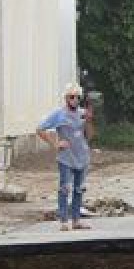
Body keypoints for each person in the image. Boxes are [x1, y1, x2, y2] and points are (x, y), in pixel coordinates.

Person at [36, 83, 93, 232]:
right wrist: (55, 143)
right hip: (66, 157)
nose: (74, 100)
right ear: (66, 98)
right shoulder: (59, 114)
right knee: (65, 188)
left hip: (82, 155)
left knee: (79, 189)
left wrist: (88, 120)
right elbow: (40, 129)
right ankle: (63, 220)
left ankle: (76, 220)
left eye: (77, 97)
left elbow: (90, 135)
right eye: (71, 97)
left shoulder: (82, 113)